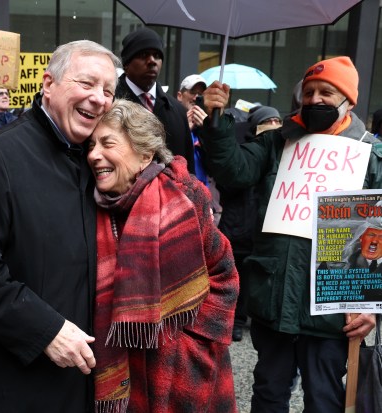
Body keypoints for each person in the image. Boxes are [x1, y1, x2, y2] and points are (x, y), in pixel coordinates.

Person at [0, 40, 120, 412]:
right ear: (48, 84)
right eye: (87, 84)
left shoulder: (95, 161)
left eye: (108, 91)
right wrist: (45, 330)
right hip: (8, 378)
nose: (99, 99)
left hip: (76, 375)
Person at [201, 56, 379, 412]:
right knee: (268, 393)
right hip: (276, 297)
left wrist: (372, 308)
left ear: (348, 100)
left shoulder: (370, 156)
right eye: (309, 91)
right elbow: (234, 171)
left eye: (326, 92)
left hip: (332, 306)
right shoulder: (277, 142)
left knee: (324, 398)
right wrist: (216, 120)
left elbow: (378, 238)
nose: (314, 99)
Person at [88, 99, 238, 412]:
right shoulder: (93, 206)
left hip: (180, 361)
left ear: (144, 153)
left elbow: (224, 270)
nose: (94, 155)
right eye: (91, 145)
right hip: (121, 362)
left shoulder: (184, 195)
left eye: (107, 143)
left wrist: (191, 341)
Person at [217, 104, 281, 342]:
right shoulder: (243, 152)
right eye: (268, 122)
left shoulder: (279, 153)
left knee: (248, 280)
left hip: (259, 230)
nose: (273, 127)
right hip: (235, 227)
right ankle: (227, 320)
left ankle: (240, 321)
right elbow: (227, 182)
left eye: (277, 122)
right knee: (231, 277)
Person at [115, 27, 195, 174]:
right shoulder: (109, 104)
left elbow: (188, 170)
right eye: (143, 55)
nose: (152, 61)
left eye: (157, 55)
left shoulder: (177, 110)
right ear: (126, 63)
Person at [176, 74, 208, 184]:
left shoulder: (208, 124)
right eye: (192, 92)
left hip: (203, 190)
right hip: (180, 189)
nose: (196, 98)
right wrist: (184, 130)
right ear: (180, 96)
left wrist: (207, 131)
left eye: (200, 94)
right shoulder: (171, 120)